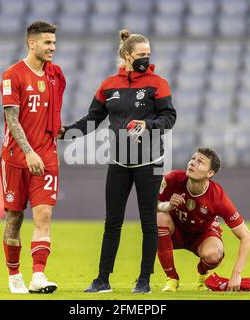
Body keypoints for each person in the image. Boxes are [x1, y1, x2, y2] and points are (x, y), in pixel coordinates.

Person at [58, 29, 177, 293]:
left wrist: (147, 124)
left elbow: (169, 117)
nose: (146, 59)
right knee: (112, 222)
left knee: (148, 223)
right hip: (118, 163)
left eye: (148, 54)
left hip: (150, 162)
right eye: (141, 55)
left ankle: (144, 280)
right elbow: (93, 119)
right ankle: (102, 280)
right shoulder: (108, 85)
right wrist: (67, 132)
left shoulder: (158, 83)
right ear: (126, 56)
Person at [0, 21, 66, 294]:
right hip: (16, 157)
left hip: (47, 156)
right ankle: (15, 276)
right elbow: (11, 118)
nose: (53, 47)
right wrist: (28, 152)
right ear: (32, 43)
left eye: (54, 42)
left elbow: (51, 111)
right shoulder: (12, 75)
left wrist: (55, 130)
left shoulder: (56, 75)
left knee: (44, 214)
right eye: (47, 43)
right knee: (14, 219)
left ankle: (39, 276)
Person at [156, 148, 250, 292]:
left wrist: (236, 275)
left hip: (202, 235)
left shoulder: (218, 198)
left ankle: (202, 274)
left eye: (200, 162)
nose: (192, 163)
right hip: (175, 231)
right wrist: (168, 205)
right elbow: (152, 206)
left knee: (214, 254)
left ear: (210, 173)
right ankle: (172, 279)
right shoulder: (172, 179)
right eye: (193, 158)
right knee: (159, 218)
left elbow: (247, 237)